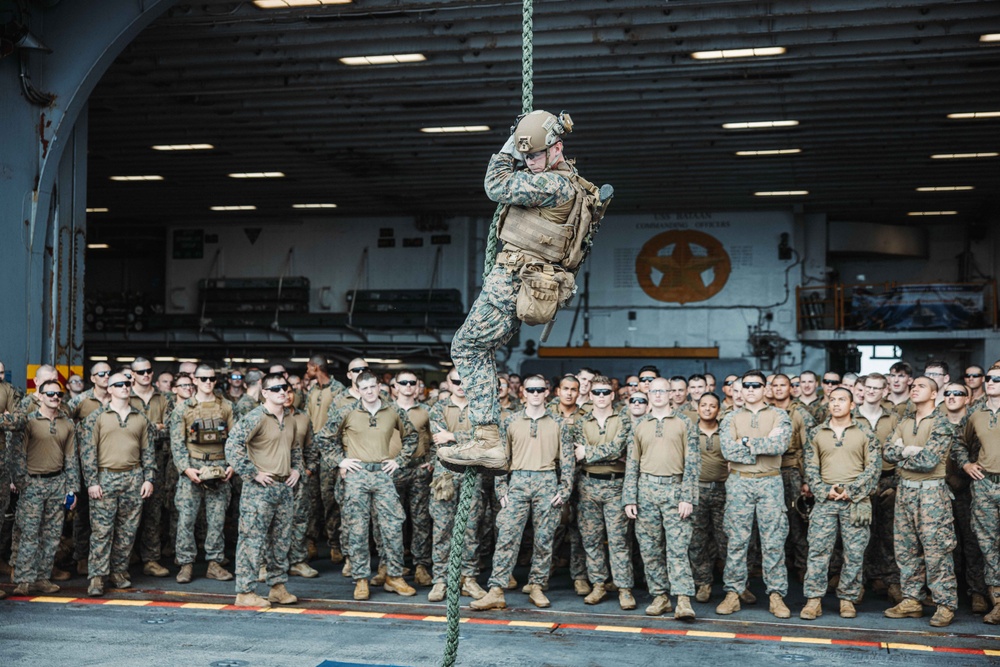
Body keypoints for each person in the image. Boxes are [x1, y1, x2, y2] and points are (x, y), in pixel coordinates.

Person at [440, 109, 601, 473]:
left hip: (514, 280)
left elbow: (495, 185)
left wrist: (510, 145)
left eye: (535, 155)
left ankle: (487, 441)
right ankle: (487, 439)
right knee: (475, 347)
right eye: (525, 155)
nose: (529, 162)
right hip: (523, 282)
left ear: (557, 149)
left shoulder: (555, 185)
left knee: (467, 347)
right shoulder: (567, 182)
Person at [470, 375, 576, 611]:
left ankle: (537, 586)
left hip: (546, 480)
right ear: (523, 393)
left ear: (547, 392)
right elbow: (502, 458)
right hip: (517, 481)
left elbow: (568, 461)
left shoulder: (559, 423)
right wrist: (501, 487)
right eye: (531, 389)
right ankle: (496, 589)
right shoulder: (511, 421)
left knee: (544, 538)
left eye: (540, 389)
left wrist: (565, 488)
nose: (536, 393)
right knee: (507, 536)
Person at [313, 370, 417, 601]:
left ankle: (394, 575)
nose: (370, 392)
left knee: (392, 526)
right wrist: (340, 460)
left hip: (382, 474)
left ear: (380, 386)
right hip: (357, 475)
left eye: (373, 387)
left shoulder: (393, 410)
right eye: (365, 388)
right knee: (357, 528)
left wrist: (399, 461)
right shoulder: (347, 411)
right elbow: (323, 437)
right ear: (358, 390)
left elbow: (411, 436)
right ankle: (361, 579)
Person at [716, 370, 793, 619]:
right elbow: (728, 450)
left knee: (773, 541)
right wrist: (760, 443)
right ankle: (733, 593)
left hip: (770, 482)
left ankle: (776, 595)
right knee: (737, 541)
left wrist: (746, 442)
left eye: (755, 385)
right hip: (739, 483)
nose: (750, 390)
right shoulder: (730, 417)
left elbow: (780, 446)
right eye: (745, 385)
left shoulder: (779, 415)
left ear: (764, 388)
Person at [799, 387, 880, 620]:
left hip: (855, 501)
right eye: (832, 400)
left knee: (854, 553)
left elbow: (873, 469)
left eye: (842, 400)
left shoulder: (865, 433)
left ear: (852, 405)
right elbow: (810, 468)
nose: (836, 404)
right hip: (825, 501)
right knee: (818, 551)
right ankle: (813, 600)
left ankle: (848, 599)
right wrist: (825, 490)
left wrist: (850, 491)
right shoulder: (816, 433)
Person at [624, 377, 701, 619]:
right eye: (653, 391)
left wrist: (687, 496)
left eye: (662, 391)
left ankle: (683, 600)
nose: (657, 395)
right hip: (646, 489)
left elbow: (693, 462)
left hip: (675, 489)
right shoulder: (639, 424)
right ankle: (660, 596)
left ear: (671, 394)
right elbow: (632, 463)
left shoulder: (684, 423)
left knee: (678, 548)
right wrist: (629, 498)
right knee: (650, 548)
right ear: (648, 394)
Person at [883, 376, 958, 627]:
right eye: (912, 386)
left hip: (931, 493)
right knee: (906, 549)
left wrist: (902, 452)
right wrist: (908, 452)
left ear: (934, 394)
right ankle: (912, 600)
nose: (914, 389)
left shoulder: (942, 423)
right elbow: (887, 451)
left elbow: (928, 461)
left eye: (921, 386)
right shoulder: (904, 421)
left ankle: (945, 603)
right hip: (905, 490)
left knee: (936, 550)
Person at [225, 372, 304, 608]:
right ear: (265, 393)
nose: (283, 392)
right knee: (252, 540)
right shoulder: (256, 417)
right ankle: (245, 591)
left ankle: (277, 587)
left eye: (286, 388)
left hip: (283, 487)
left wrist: (297, 469)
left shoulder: (290, 419)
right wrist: (252, 473)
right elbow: (232, 445)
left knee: (280, 540)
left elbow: (295, 448)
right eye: (276, 388)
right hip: (260, 489)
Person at [78, 372, 156, 597]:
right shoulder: (97, 417)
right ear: (109, 389)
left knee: (127, 531)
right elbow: (88, 452)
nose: (125, 387)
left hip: (133, 478)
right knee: (102, 531)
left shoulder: (140, 418)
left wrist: (149, 478)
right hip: (105, 478)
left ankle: (119, 572)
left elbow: (148, 452)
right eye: (119, 384)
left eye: (128, 383)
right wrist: (92, 482)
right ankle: (97, 577)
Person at [169, 364, 235, 584]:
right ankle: (186, 564)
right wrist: (186, 469)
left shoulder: (226, 406)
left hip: (218, 467)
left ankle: (215, 563)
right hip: (192, 467)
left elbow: (235, 439)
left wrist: (231, 466)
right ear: (194, 380)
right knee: (186, 519)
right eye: (203, 379)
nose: (208, 382)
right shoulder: (183, 409)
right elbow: (177, 443)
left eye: (211, 379)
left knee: (216, 520)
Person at [574, 375, 635, 610]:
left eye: (605, 392)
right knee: (591, 539)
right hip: (588, 485)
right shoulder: (581, 422)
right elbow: (576, 452)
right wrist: (605, 453)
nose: (601, 397)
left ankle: (624, 588)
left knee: (619, 540)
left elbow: (620, 447)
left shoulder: (623, 419)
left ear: (612, 395)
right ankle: (598, 584)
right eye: (596, 393)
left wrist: (588, 452)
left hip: (616, 485)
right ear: (590, 395)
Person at [10, 380, 77, 596]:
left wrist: (72, 488)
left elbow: (71, 458)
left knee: (52, 535)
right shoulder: (28, 422)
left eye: (59, 394)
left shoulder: (67, 423)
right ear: (39, 396)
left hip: (57, 483)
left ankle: (42, 578)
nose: (55, 398)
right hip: (33, 482)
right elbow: (18, 454)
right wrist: (23, 482)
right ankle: (23, 579)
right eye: (50, 394)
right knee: (29, 533)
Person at [425, 369, 485, 602]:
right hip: (445, 475)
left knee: (471, 528)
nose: (461, 385)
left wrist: (452, 436)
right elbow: (439, 439)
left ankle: (468, 578)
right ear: (448, 384)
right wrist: (462, 439)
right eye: (456, 381)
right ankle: (440, 580)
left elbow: (484, 439)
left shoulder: (480, 407)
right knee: (442, 528)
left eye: (465, 380)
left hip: (472, 473)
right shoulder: (438, 408)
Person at [956, 369, 1000, 623]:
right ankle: (997, 602)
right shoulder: (975, 413)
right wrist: (966, 464)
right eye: (989, 379)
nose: (991, 383)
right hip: (985, 485)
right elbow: (960, 443)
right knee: (987, 544)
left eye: (997, 379)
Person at [941, 381, 988, 614]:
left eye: (958, 393)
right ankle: (941, 593)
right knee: (942, 545)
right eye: (947, 393)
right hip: (938, 491)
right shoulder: (933, 421)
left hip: (968, 490)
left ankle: (977, 592)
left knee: (972, 543)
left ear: (968, 399)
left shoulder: (975, 422)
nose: (952, 397)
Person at [856, 373, 902, 603]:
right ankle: (858, 584)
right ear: (862, 390)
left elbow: (901, 453)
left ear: (885, 392)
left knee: (889, 535)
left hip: (887, 480)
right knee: (858, 535)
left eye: (877, 388)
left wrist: (894, 485)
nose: (872, 391)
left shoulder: (894, 419)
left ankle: (893, 581)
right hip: (858, 483)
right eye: (868, 387)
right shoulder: (851, 417)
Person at [130, 357, 172, 578]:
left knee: (154, 513)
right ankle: (125, 558)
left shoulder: (163, 398)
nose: (146, 374)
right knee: (127, 513)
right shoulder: (124, 395)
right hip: (130, 461)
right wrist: (153, 427)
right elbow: (127, 431)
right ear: (132, 374)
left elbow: (170, 429)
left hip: (157, 462)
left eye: (149, 371)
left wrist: (144, 429)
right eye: (141, 372)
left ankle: (151, 559)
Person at [688, 392, 728, 603]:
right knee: (697, 540)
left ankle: (736, 587)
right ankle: (703, 582)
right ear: (698, 408)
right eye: (703, 405)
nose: (707, 409)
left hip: (723, 491)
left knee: (727, 540)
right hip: (697, 491)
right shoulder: (690, 432)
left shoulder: (727, 432)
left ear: (718, 410)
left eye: (712, 406)